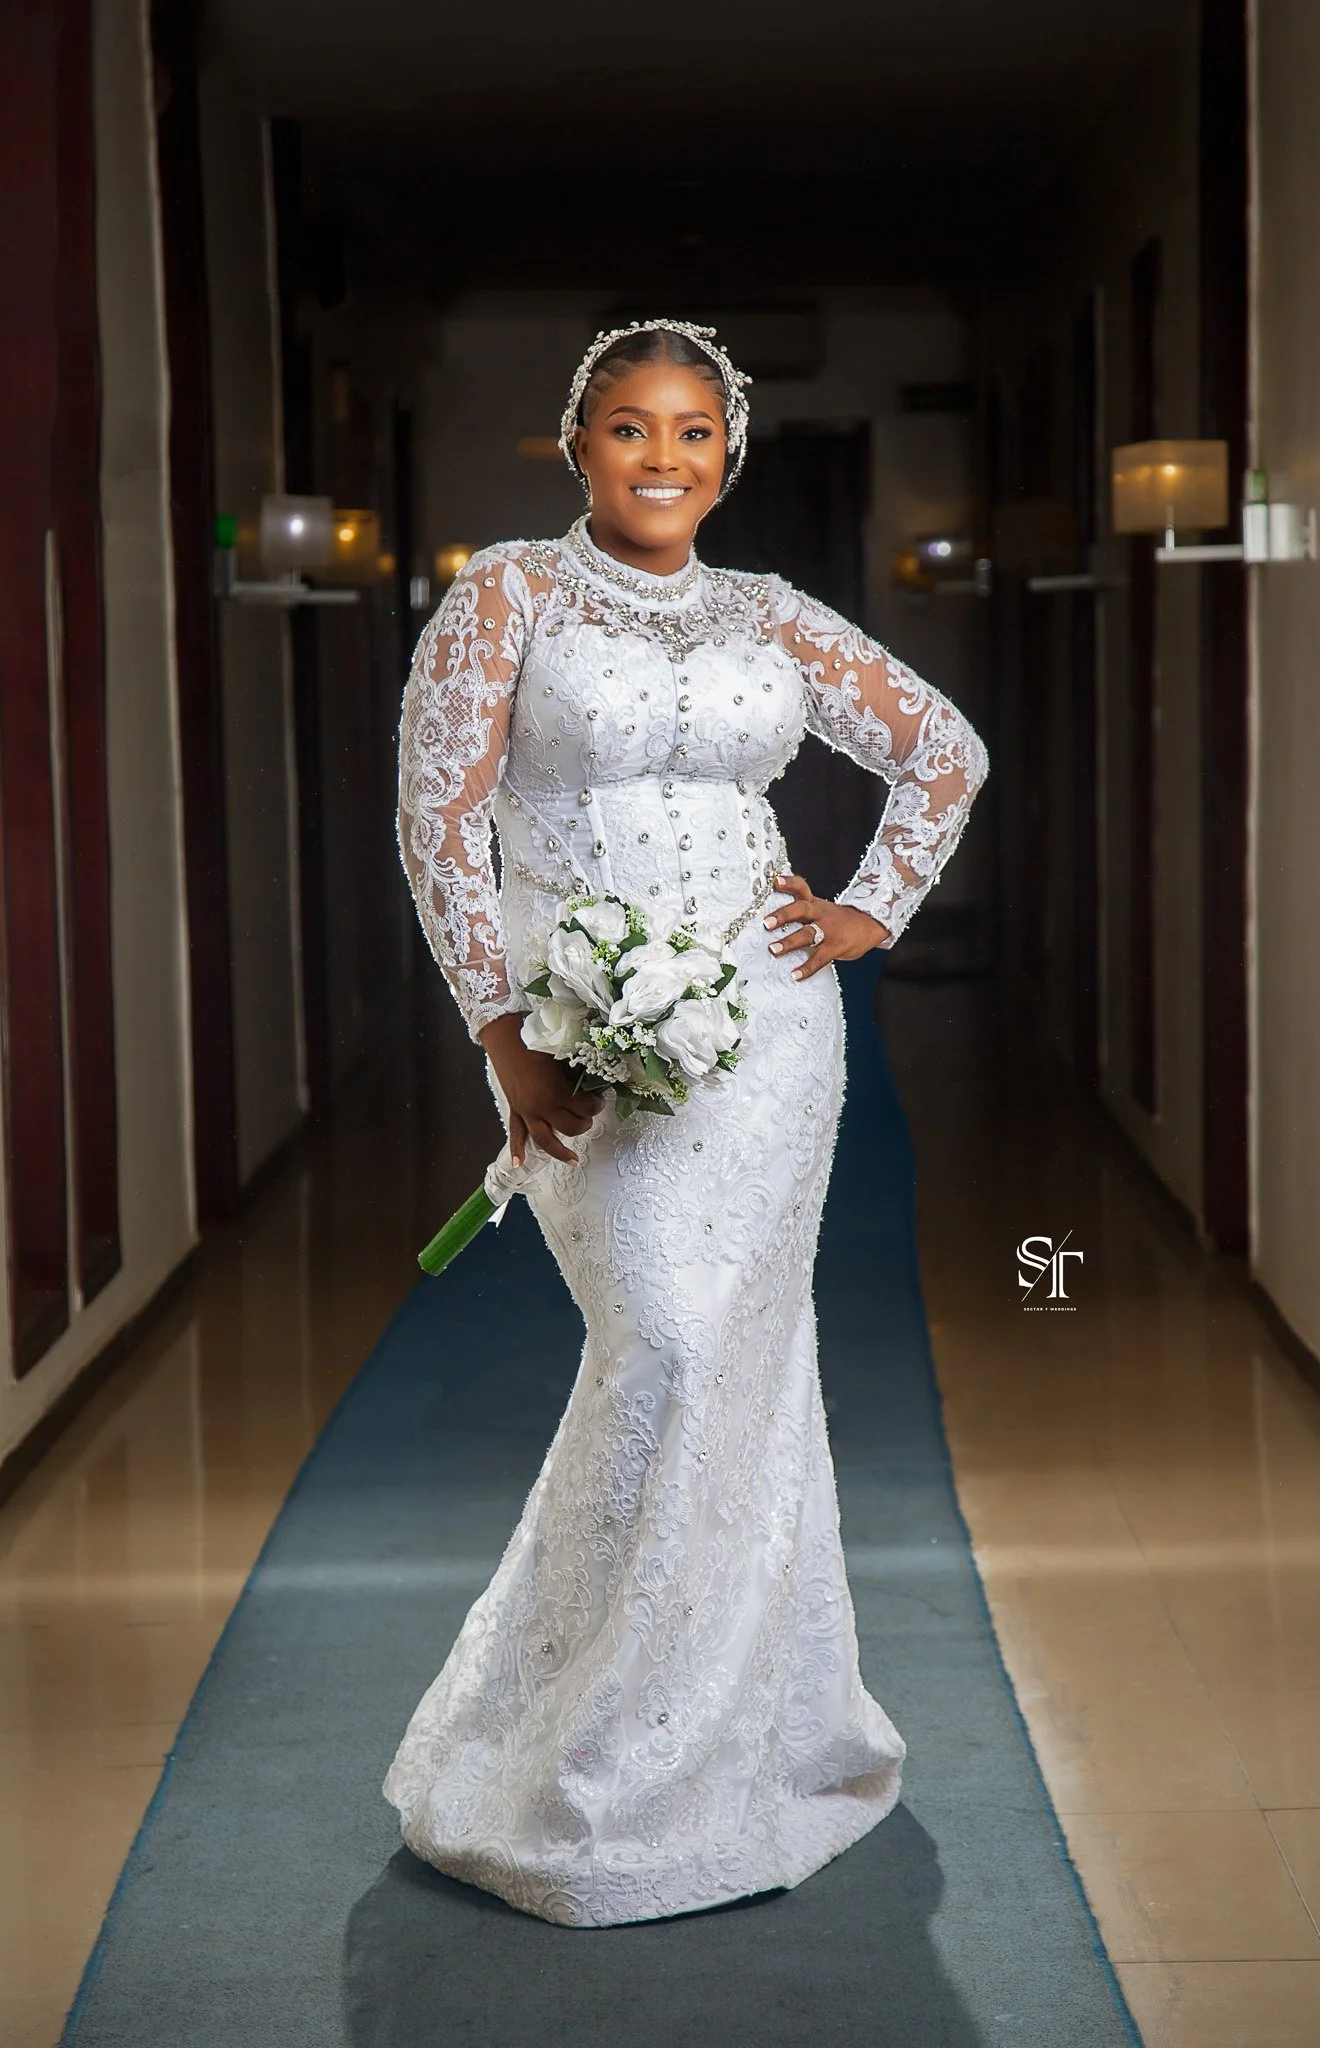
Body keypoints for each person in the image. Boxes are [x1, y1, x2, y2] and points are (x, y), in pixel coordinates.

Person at [385, 319, 988, 1928]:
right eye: (633, 428)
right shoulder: (507, 596)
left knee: (740, 1361)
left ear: (732, 456)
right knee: (659, 1338)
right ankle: (571, 1744)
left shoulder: (771, 614)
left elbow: (943, 751)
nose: (665, 458)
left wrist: (868, 910)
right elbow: (438, 822)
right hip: (572, 1035)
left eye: (695, 432)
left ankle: (731, 1742)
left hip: (768, 1035)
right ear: (577, 444)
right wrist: (502, 1035)